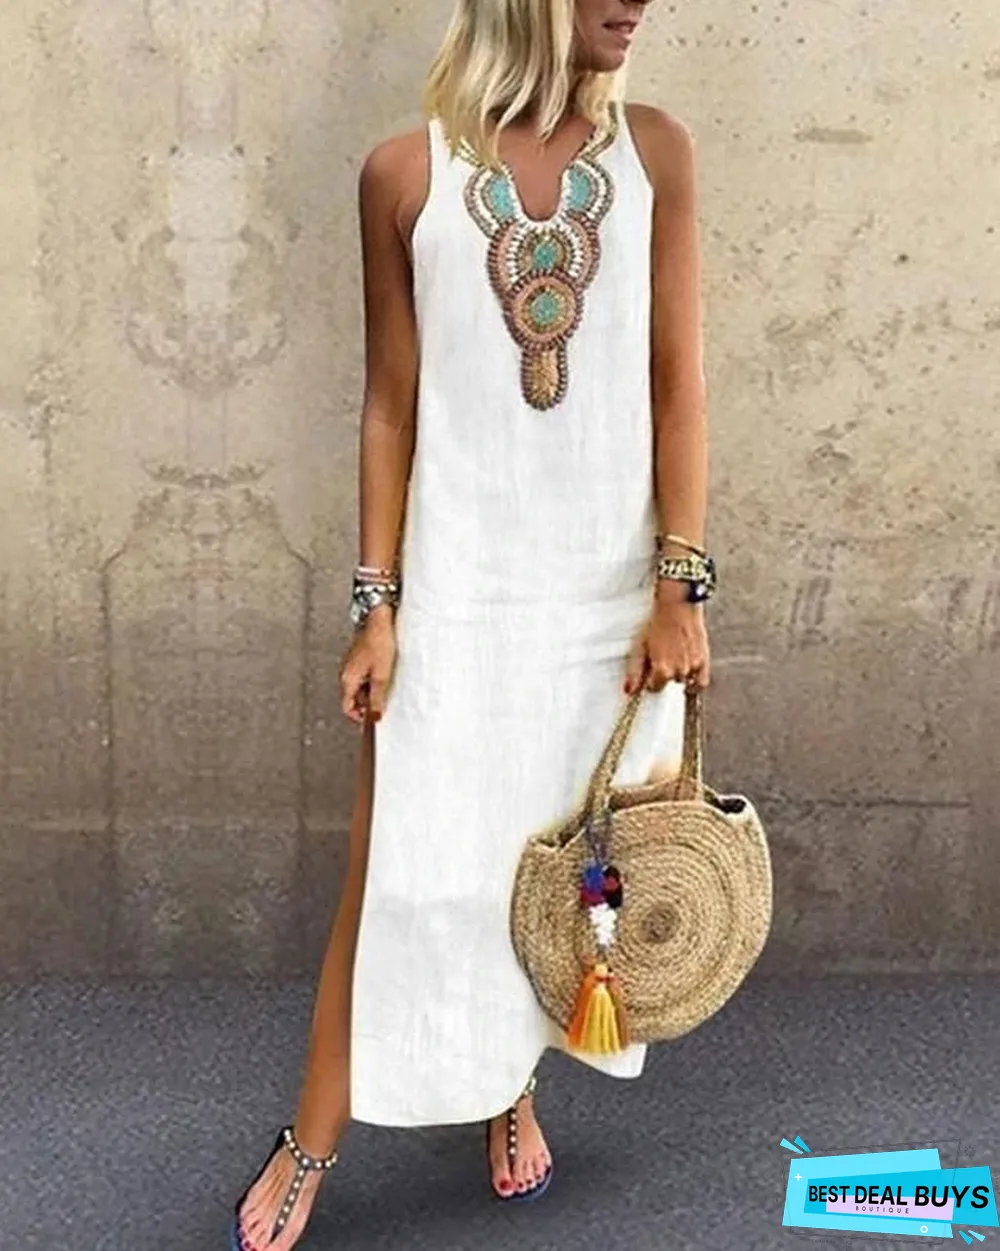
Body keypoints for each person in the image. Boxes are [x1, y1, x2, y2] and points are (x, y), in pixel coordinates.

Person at [229, 0, 714, 1246]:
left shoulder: (655, 154)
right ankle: (309, 1141)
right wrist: (376, 608)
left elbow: (677, 381)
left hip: (602, 602)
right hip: (455, 592)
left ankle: (511, 1090)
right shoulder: (403, 175)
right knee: (398, 875)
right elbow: (389, 405)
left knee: (559, 875)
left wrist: (679, 586)